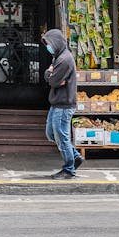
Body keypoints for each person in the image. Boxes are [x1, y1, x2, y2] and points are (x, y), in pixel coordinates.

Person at [41, 28, 82, 179]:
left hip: (64, 104)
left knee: (61, 135)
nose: (48, 47)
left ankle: (69, 169)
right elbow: (52, 79)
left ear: (56, 43)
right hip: (57, 102)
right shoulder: (58, 57)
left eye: (49, 43)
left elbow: (52, 81)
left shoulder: (64, 60)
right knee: (51, 134)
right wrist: (50, 74)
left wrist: (51, 75)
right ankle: (75, 156)